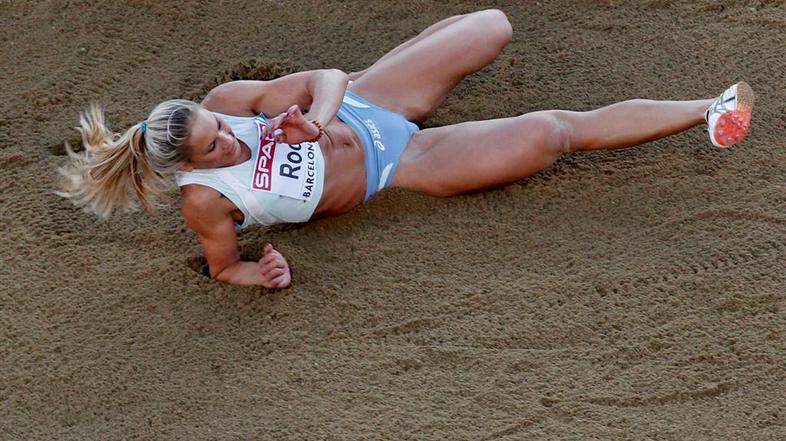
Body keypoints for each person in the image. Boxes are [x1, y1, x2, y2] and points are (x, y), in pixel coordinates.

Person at [58, 9, 755, 289]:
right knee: (552, 133)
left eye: (218, 128)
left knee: (493, 26)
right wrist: (263, 273)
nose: (228, 139)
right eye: (215, 147)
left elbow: (326, 78)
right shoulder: (207, 202)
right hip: (399, 166)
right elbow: (222, 267)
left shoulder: (232, 101)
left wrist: (317, 120)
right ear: (189, 165)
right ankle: (711, 108)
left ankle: (415, 55)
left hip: (369, 101)